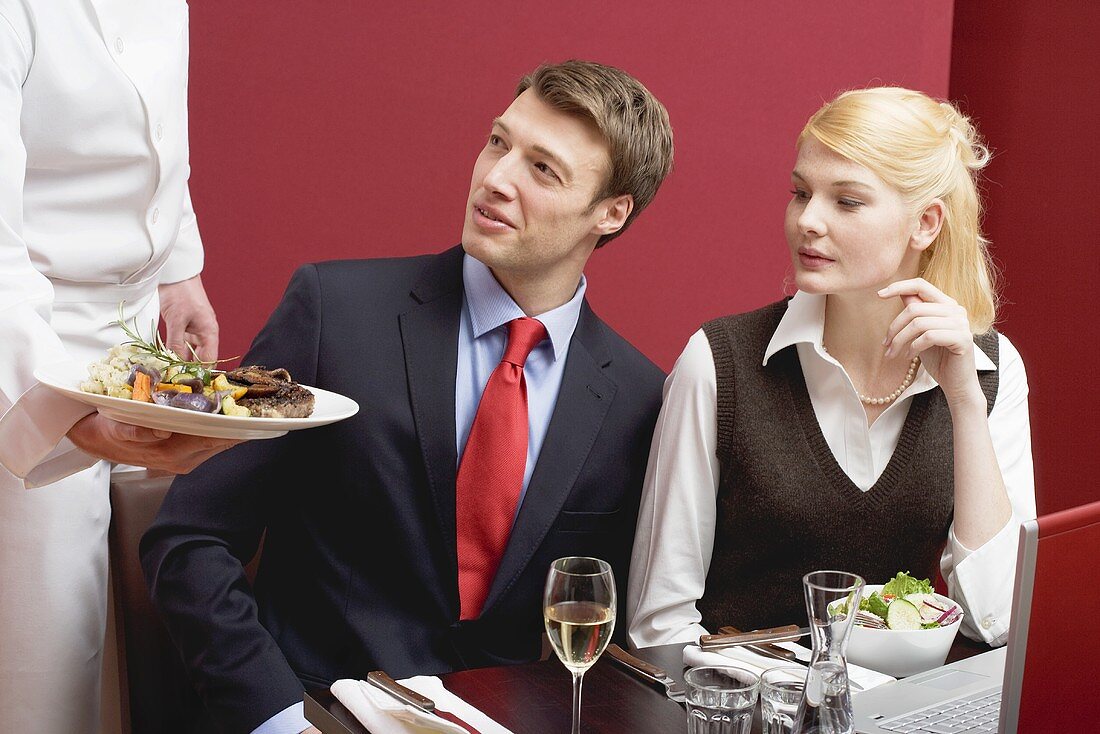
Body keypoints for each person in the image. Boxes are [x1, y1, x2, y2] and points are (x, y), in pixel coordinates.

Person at [140, 60, 673, 734]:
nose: (495, 178)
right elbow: (189, 540)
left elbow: (618, 635)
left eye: (543, 169)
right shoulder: (334, 314)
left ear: (611, 211)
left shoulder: (638, 398)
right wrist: (283, 722)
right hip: (320, 713)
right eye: (498, 142)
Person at [627, 87, 1035, 651]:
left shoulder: (990, 370)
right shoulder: (719, 363)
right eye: (800, 193)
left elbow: (999, 620)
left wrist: (964, 400)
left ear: (925, 224)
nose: (807, 221)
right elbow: (660, 628)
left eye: (847, 201)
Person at [0, 2, 241, 730]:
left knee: (133, 655)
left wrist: (178, 268)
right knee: (45, 671)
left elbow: (160, 132)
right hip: (27, 337)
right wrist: (68, 413)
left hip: (135, 333)